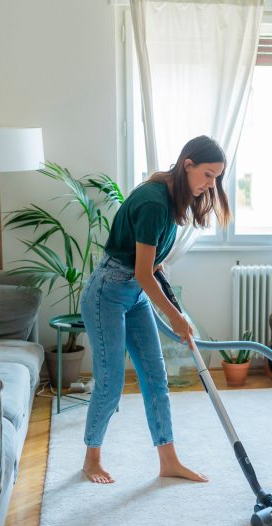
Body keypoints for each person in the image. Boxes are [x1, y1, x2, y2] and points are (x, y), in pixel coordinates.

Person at [80, 135, 231, 484]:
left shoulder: (173, 196)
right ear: (187, 164)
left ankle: (168, 461)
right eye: (208, 175)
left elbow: (150, 266)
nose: (211, 185)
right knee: (111, 382)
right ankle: (91, 459)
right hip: (107, 294)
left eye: (217, 178)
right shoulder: (154, 202)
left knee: (155, 377)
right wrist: (176, 317)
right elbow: (141, 272)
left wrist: (161, 275)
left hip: (135, 294)